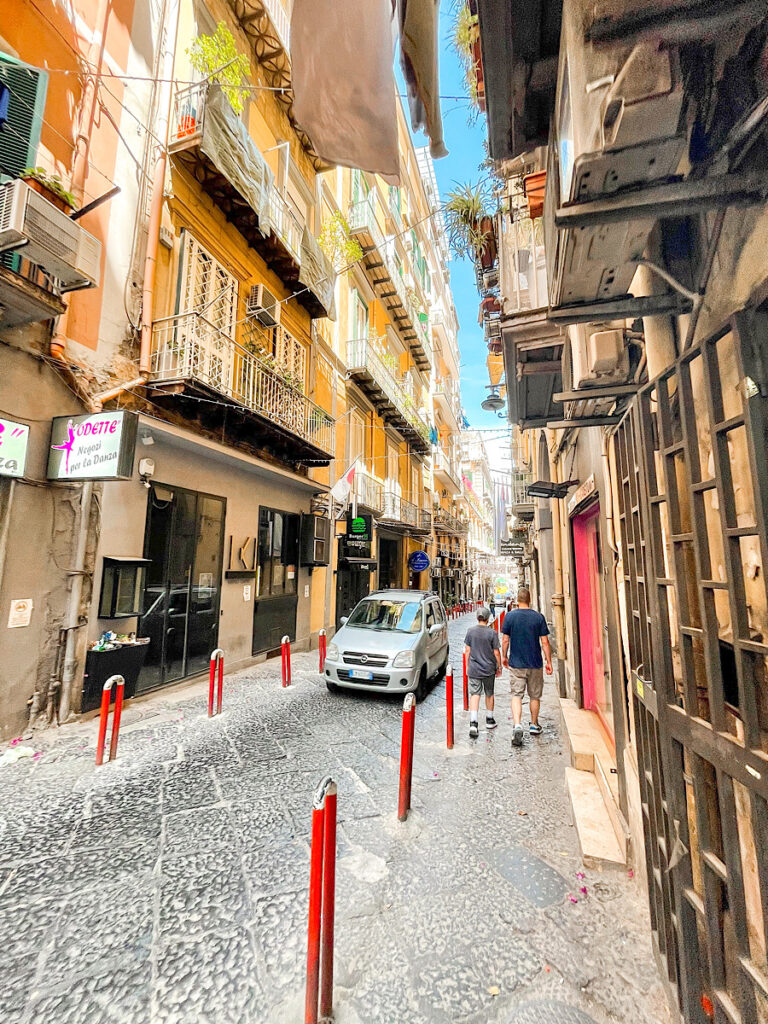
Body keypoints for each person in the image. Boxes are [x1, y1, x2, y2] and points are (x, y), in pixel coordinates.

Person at [500, 587, 552, 747]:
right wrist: (548, 661)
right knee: (535, 696)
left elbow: (505, 640)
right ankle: (534, 725)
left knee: (517, 694)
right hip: (535, 663)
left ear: (517, 600)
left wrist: (504, 656)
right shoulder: (538, 617)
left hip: (516, 663)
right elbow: (545, 642)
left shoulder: (510, 616)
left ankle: (517, 724)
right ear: (529, 600)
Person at [463, 606, 502, 739]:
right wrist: (499, 666)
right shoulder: (492, 633)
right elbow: (496, 652)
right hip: (489, 669)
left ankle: (473, 723)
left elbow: (467, 651)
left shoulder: (470, 631)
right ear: (488, 618)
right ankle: (489, 720)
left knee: (475, 694)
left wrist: (468, 666)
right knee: (489, 694)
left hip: (474, 668)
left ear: (477, 617)